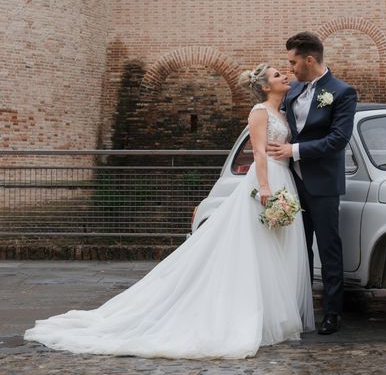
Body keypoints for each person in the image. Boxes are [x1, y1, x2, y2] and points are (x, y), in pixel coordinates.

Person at [24, 64, 315, 359]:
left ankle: (272, 312)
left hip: (284, 179)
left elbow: (282, 148)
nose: (285, 77)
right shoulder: (259, 112)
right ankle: (249, 314)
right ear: (265, 86)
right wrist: (264, 187)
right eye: (279, 75)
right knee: (256, 248)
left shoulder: (282, 113)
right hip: (265, 182)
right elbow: (259, 152)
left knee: (277, 246)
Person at [268, 32, 357, 335]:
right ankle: (300, 307)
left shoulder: (342, 92)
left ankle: (332, 313)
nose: (289, 69)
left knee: (329, 247)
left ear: (309, 59)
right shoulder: (291, 92)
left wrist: (292, 151)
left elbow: (338, 140)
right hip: (292, 183)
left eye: (293, 62)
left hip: (323, 184)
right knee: (297, 248)